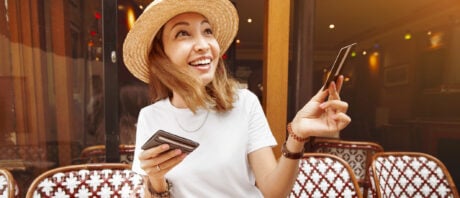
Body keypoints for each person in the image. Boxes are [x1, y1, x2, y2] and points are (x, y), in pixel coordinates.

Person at [122, 0, 351, 197]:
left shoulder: (244, 103)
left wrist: (298, 135)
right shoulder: (151, 116)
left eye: (207, 31)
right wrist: (156, 179)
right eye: (183, 33)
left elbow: (274, 192)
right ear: (161, 55)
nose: (204, 45)